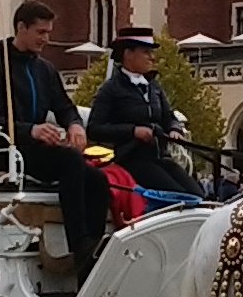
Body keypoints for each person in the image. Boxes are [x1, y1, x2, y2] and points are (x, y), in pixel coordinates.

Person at [0, 0, 111, 291]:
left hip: (36, 148)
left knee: (99, 180)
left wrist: (74, 124)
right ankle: (80, 245)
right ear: (20, 28)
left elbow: (64, 106)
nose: (46, 39)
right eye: (40, 32)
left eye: (48, 32)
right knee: (70, 162)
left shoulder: (45, 70)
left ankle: (92, 248)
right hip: (10, 150)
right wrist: (31, 130)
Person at [87, 27, 206, 200]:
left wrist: (174, 129)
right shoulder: (110, 89)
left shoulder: (154, 86)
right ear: (128, 54)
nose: (152, 57)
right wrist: (133, 131)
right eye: (146, 52)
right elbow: (94, 129)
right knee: (181, 198)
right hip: (133, 160)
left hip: (161, 157)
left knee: (199, 196)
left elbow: (168, 116)